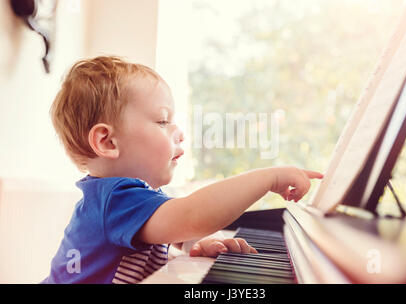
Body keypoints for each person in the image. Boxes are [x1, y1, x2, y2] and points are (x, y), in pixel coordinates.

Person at [42, 56, 323, 284]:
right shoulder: (114, 199)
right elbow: (191, 215)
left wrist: (195, 244)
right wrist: (268, 177)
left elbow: (176, 228)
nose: (178, 133)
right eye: (163, 121)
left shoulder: (133, 198)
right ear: (108, 141)